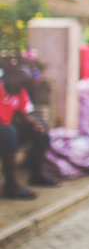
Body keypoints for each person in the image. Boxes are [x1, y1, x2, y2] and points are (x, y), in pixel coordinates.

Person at [0, 64, 59, 199]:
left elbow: (24, 114)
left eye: (24, 83)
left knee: (39, 128)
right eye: (19, 80)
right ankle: (11, 186)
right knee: (8, 132)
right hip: (4, 131)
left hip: (7, 131)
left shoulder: (19, 91)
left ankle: (37, 175)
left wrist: (35, 123)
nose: (20, 84)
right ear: (10, 76)